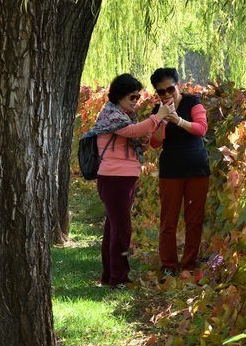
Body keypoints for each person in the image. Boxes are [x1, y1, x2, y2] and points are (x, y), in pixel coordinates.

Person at [90, 73, 174, 288]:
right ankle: (119, 278)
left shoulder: (125, 116)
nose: (136, 101)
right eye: (132, 97)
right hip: (113, 178)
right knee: (122, 229)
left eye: (138, 97)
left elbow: (138, 141)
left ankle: (109, 276)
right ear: (119, 96)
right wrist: (157, 117)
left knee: (113, 228)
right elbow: (132, 131)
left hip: (126, 177)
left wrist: (147, 138)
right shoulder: (111, 116)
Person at [148, 67, 211, 275]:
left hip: (196, 168)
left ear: (178, 85)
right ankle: (168, 265)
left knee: (194, 219)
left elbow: (201, 129)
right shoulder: (158, 110)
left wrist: (179, 121)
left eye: (170, 89)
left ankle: (190, 264)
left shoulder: (193, 102)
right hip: (171, 170)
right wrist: (162, 122)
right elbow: (155, 144)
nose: (166, 94)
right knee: (168, 220)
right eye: (161, 92)